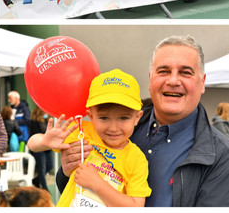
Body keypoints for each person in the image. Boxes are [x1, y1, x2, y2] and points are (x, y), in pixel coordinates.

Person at [56, 35, 229, 207]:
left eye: (185, 72)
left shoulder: (224, 161)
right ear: (150, 79)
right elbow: (75, 189)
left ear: (202, 82)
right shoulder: (119, 128)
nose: (173, 80)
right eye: (163, 71)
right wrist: (67, 171)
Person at [30, 69, 151, 207]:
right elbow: (31, 144)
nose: (113, 127)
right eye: (104, 118)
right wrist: (45, 141)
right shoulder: (83, 132)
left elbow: (136, 206)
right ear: (91, 115)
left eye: (124, 118)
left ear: (137, 118)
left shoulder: (137, 160)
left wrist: (97, 184)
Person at [28, 107, 54, 191]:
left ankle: (36, 180)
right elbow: (35, 134)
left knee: (50, 166)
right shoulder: (34, 122)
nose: (47, 114)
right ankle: (45, 188)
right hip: (39, 148)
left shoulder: (47, 120)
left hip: (47, 148)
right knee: (41, 169)